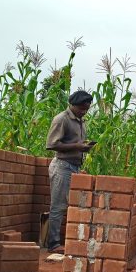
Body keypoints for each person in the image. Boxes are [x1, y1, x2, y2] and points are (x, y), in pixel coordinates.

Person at [45, 90, 95, 253]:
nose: (84, 111)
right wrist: (77, 146)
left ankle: (63, 240)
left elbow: (76, 144)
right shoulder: (62, 119)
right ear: (72, 105)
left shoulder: (81, 121)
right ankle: (53, 244)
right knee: (58, 206)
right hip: (62, 166)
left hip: (74, 167)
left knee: (70, 205)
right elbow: (52, 144)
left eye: (86, 109)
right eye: (81, 108)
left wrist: (83, 148)